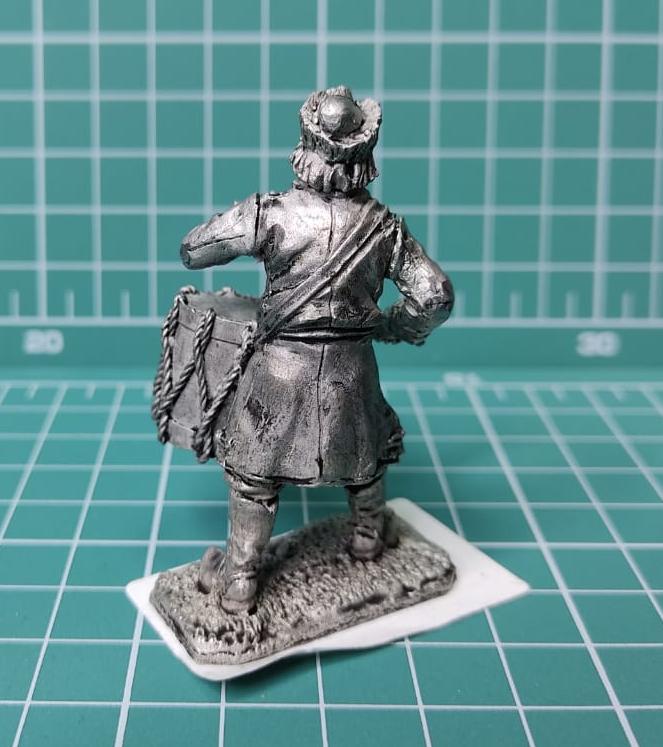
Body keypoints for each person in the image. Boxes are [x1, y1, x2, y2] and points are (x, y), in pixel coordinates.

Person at [180, 86, 454, 613]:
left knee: (253, 477)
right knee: (366, 455)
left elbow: (193, 250)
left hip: (280, 372)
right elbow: (435, 295)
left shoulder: (271, 213)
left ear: (306, 145)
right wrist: (395, 326)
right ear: (364, 155)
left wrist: (245, 218)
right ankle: (368, 538)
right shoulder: (384, 227)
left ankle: (240, 578)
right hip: (353, 369)